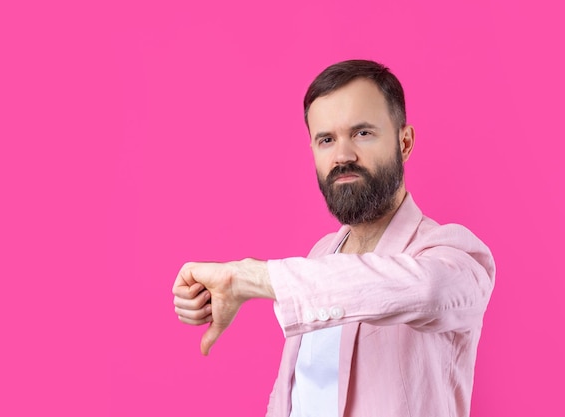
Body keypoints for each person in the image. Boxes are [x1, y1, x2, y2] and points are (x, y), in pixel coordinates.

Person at [172, 59, 495, 417]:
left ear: (404, 143)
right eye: (326, 139)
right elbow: (296, 392)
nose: (343, 156)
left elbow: (428, 290)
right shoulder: (320, 257)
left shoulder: (453, 252)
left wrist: (248, 277)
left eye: (362, 133)